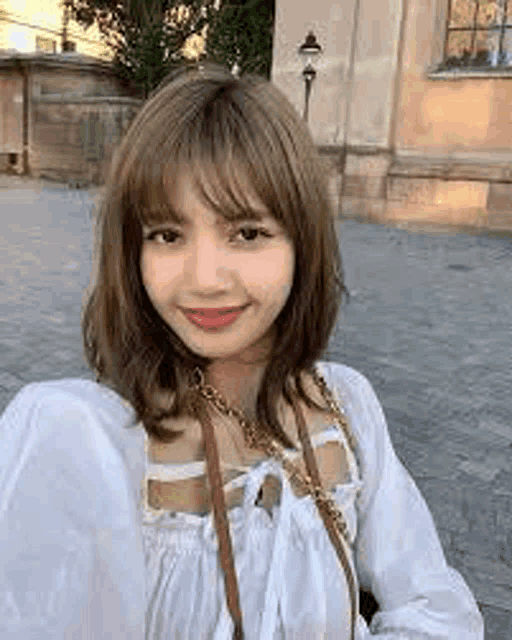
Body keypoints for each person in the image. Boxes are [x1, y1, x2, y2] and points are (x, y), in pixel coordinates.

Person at [0, 62, 484, 640]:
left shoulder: (345, 406)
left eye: (247, 232)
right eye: (167, 234)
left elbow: (432, 604)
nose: (205, 279)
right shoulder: (83, 440)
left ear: (302, 242)